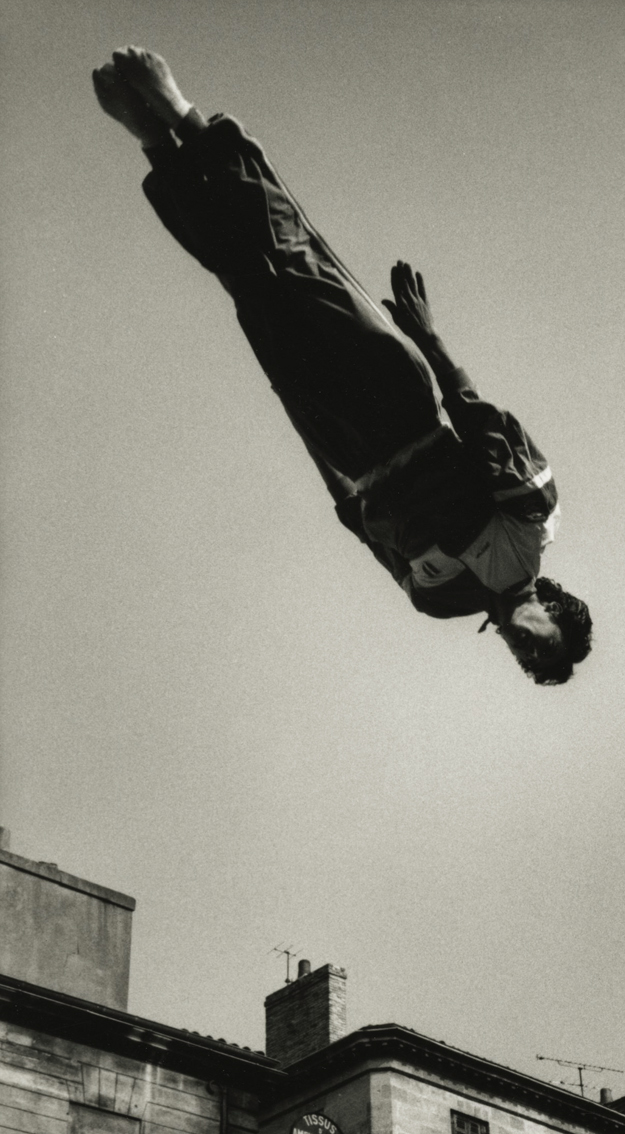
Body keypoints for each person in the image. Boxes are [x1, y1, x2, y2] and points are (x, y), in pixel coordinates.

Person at [92, 47, 592, 685]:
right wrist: (426, 338)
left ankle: (151, 140)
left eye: (530, 665)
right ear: (556, 613)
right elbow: (479, 418)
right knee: (294, 261)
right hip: (400, 404)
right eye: (548, 650)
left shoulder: (436, 602)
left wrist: (301, 418)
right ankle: (182, 113)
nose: (529, 654)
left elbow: (358, 521)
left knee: (246, 284)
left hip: (345, 444)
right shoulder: (532, 527)